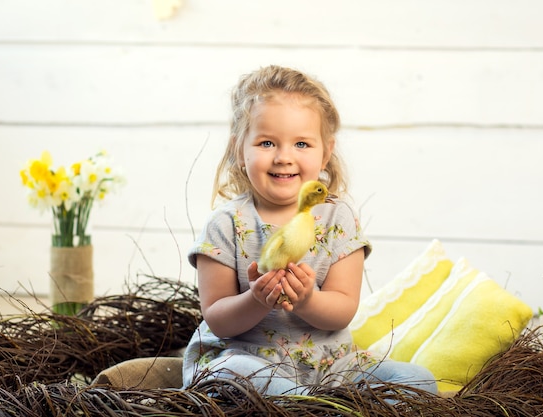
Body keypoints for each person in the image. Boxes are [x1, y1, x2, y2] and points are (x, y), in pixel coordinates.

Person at [182, 65, 437, 395]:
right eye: (266, 143)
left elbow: (343, 310)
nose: (284, 157)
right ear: (239, 150)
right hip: (248, 360)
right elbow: (217, 317)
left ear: (325, 153)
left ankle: (311, 406)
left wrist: (307, 300)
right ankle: (310, 407)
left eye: (301, 144)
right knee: (232, 373)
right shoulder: (225, 224)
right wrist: (257, 299)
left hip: (332, 366)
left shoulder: (337, 218)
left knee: (418, 381)